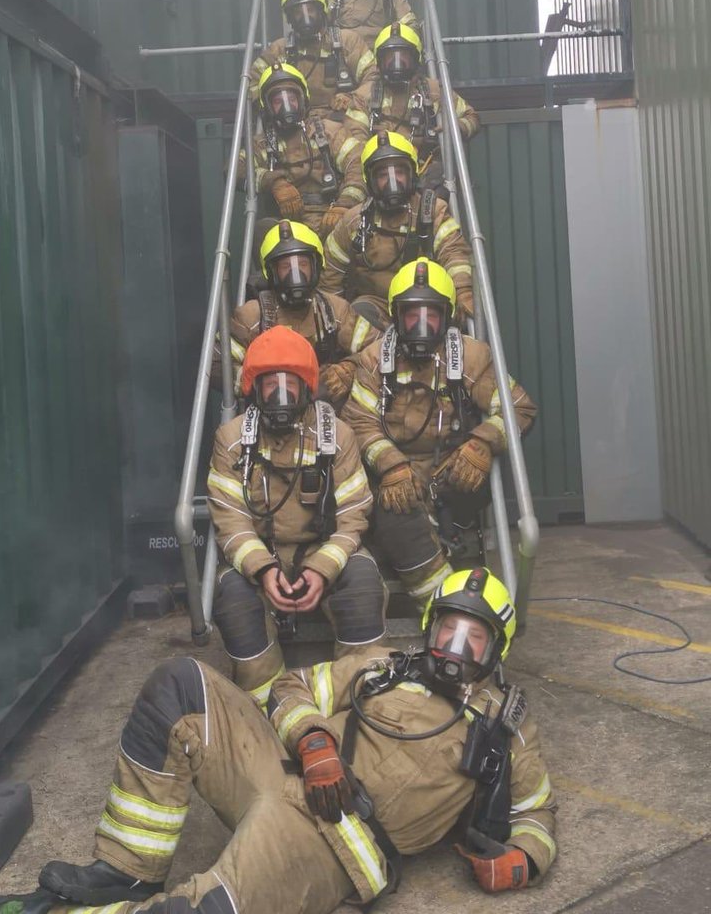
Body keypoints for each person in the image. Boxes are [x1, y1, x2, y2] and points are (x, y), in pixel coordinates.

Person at [0, 567, 556, 914]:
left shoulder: (504, 730)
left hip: (329, 838)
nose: (454, 648)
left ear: (495, 649)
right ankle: (127, 872)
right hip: (282, 770)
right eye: (447, 630)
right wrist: (313, 739)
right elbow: (290, 687)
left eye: (472, 637)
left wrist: (523, 860)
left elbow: (537, 814)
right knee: (180, 686)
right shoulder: (380, 667)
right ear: (429, 628)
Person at [206, 327, 388, 708]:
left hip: (320, 550)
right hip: (262, 555)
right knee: (232, 598)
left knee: (363, 580)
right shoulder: (232, 439)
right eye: (270, 385)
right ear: (253, 389)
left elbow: (354, 514)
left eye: (291, 384)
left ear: (308, 387)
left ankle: (357, 696)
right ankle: (267, 704)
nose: (281, 395)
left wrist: (322, 569)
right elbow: (230, 518)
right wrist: (263, 570)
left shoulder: (337, 435)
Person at [342, 259, 537, 607]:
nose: (420, 325)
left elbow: (518, 408)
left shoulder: (470, 357)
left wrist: (481, 444)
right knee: (394, 513)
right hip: (394, 478)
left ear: (446, 316)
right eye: (410, 314)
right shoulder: (373, 360)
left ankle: (451, 545)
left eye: (430, 314)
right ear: (394, 316)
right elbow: (358, 421)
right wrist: (391, 466)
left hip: (452, 470)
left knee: (464, 491)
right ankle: (442, 606)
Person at [213, 220, 381, 408]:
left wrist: (349, 368)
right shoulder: (253, 317)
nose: (295, 274)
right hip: (269, 414)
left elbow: (378, 350)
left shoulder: (334, 311)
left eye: (302, 264)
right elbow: (217, 364)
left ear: (315, 267)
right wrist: (258, 385)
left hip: (325, 414)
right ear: (271, 272)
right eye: (286, 267)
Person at [322, 130, 474, 329]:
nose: (392, 182)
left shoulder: (432, 212)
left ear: (412, 174)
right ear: (370, 180)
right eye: (383, 175)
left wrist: (462, 290)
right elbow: (330, 278)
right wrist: (334, 319)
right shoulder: (354, 222)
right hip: (379, 308)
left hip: (426, 305)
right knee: (359, 312)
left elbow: (453, 253)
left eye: (399, 172)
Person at [240, 61, 366, 239]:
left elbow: (357, 164)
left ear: (303, 100)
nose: (286, 106)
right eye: (278, 101)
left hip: (332, 216)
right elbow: (235, 170)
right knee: (261, 232)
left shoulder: (330, 132)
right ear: (267, 107)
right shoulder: (263, 143)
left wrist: (344, 205)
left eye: (291, 99)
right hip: (286, 224)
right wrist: (274, 182)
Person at [345, 22, 480, 184]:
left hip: (426, 171)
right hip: (381, 176)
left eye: (403, 56)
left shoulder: (434, 91)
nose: (396, 63)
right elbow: (356, 141)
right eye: (390, 57)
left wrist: (456, 127)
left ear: (416, 59)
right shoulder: (364, 96)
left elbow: (472, 118)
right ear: (379, 62)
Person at [249, 0, 375, 117]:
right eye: (298, 12)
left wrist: (352, 99)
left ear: (321, 10)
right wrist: (273, 108)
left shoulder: (346, 42)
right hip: (295, 123)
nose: (305, 17)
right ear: (290, 18)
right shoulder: (280, 50)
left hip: (343, 119)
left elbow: (373, 77)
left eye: (310, 10)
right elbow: (252, 84)